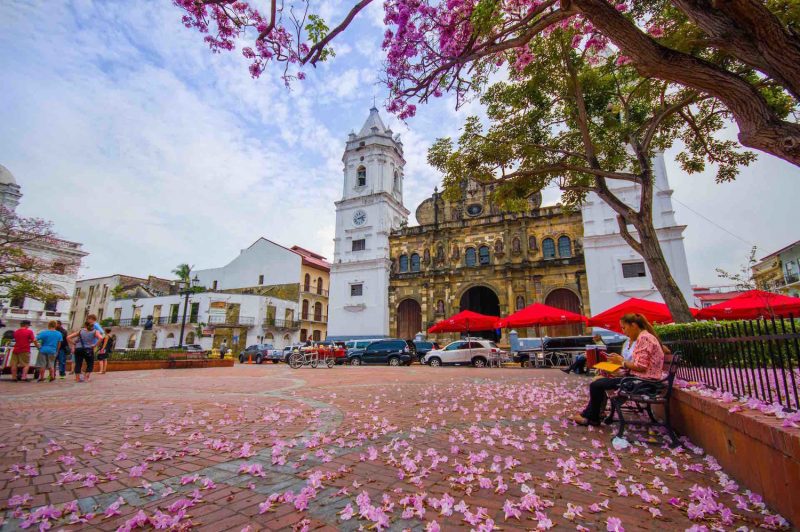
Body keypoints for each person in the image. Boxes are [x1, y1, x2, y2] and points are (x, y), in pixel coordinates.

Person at [570, 314, 665, 426]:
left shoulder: (644, 338)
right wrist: (620, 362)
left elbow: (641, 367)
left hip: (643, 383)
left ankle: (591, 418)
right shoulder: (645, 337)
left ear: (633, 325)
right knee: (598, 382)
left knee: (596, 385)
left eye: (624, 328)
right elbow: (641, 365)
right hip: (642, 381)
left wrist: (621, 362)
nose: (623, 332)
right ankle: (590, 415)